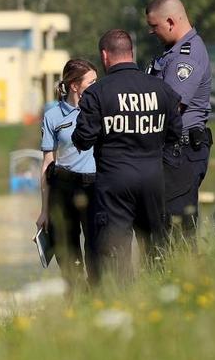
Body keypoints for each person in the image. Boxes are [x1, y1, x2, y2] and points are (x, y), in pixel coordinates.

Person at [72, 29, 183, 283]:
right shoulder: (161, 89)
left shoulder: (97, 93)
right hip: (154, 179)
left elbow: (83, 139)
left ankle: (123, 302)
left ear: (104, 55)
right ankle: (159, 294)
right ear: (131, 52)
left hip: (114, 182)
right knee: (156, 246)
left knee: (115, 251)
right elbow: (176, 132)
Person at [145, 0, 212, 244]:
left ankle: (184, 278)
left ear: (171, 22)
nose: (152, 32)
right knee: (162, 229)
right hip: (171, 152)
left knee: (178, 233)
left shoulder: (187, 55)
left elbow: (169, 108)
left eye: (154, 26)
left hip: (181, 152)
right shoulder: (170, 53)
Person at [36, 59, 99, 286]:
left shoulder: (100, 110)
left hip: (94, 187)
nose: (96, 85)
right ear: (75, 85)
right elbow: (47, 163)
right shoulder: (52, 116)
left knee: (95, 248)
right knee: (68, 253)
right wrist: (44, 211)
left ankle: (97, 298)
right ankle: (74, 300)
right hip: (64, 188)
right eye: (91, 82)